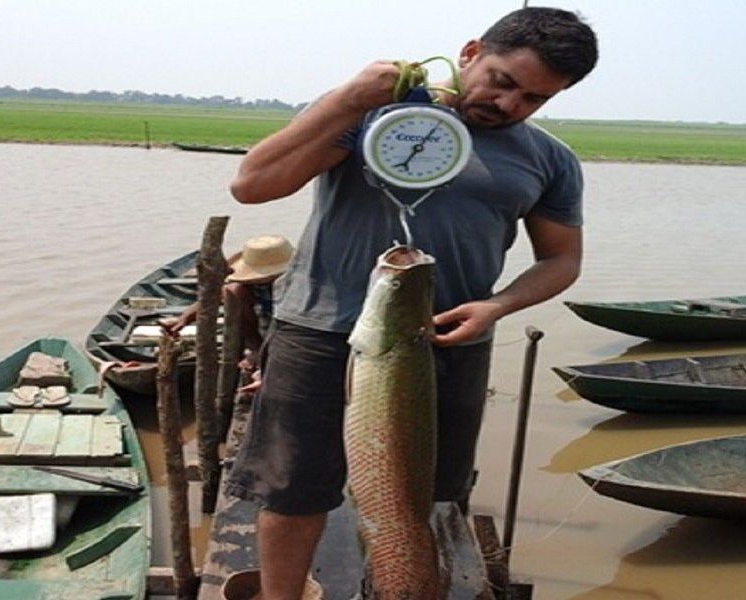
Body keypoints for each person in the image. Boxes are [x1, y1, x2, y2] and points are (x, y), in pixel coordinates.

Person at [226, 7, 598, 599]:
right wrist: (349, 98)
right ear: (471, 52)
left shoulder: (548, 160)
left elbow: (562, 261)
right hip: (320, 331)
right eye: (502, 81)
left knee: (419, 497)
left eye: (532, 99)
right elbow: (252, 184)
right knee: (294, 491)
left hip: (446, 347)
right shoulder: (376, 115)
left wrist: (495, 307)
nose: (507, 105)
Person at [164, 234, 294, 391]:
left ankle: (268, 358)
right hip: (266, 321)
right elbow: (216, 296)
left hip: (296, 326)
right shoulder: (249, 285)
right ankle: (257, 350)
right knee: (231, 291)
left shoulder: (302, 280)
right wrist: (185, 318)